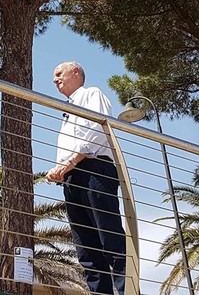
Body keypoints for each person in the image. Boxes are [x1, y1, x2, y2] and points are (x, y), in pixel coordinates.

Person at [46, 61, 126, 295]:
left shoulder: (92, 94)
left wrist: (69, 162)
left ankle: (126, 291)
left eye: (59, 74)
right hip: (72, 178)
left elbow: (96, 128)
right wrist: (59, 168)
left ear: (76, 73)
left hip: (94, 170)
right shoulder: (66, 110)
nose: (54, 80)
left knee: (110, 237)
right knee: (86, 249)